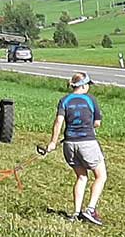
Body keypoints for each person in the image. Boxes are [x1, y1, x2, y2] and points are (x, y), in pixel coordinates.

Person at [46, 72, 107, 226]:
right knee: (101, 176)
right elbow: (97, 123)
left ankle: (76, 212)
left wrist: (53, 142)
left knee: (81, 177)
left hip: (69, 144)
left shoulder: (64, 100)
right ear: (84, 85)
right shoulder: (90, 100)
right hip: (87, 142)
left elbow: (58, 122)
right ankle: (91, 209)